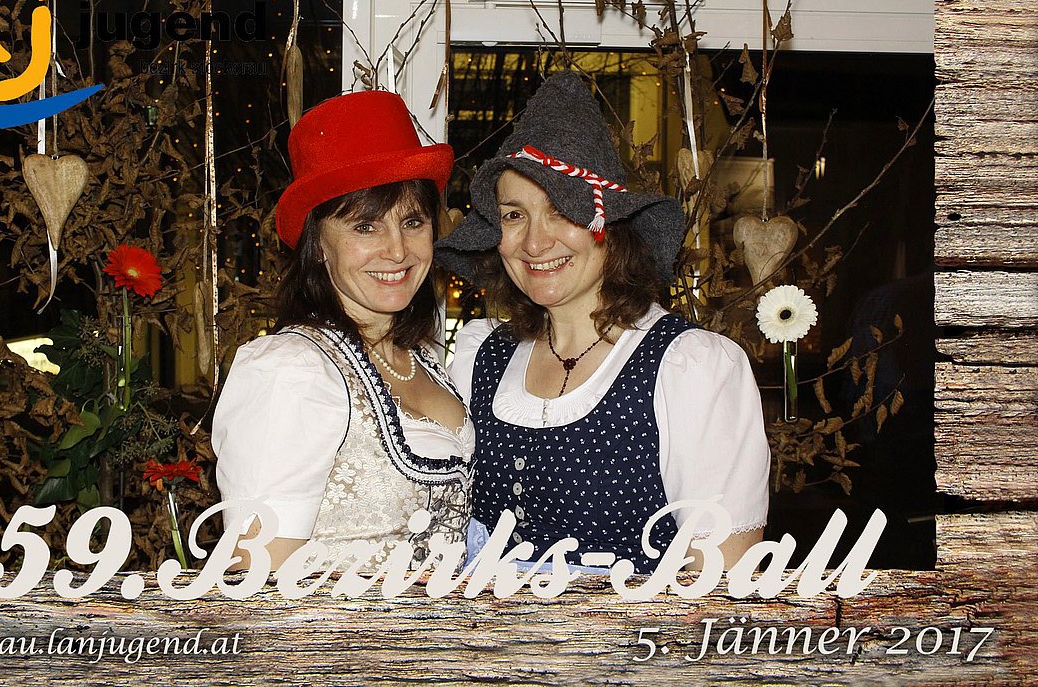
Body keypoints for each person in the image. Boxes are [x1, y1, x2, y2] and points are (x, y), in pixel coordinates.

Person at [436, 71, 769, 573]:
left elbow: (718, 583)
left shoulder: (690, 368)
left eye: (562, 211)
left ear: (610, 227)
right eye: (514, 215)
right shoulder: (480, 358)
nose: (535, 242)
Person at [212, 90, 473, 571]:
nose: (398, 250)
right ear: (318, 245)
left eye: (412, 221)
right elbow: (257, 578)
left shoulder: (424, 360)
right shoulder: (291, 371)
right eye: (365, 227)